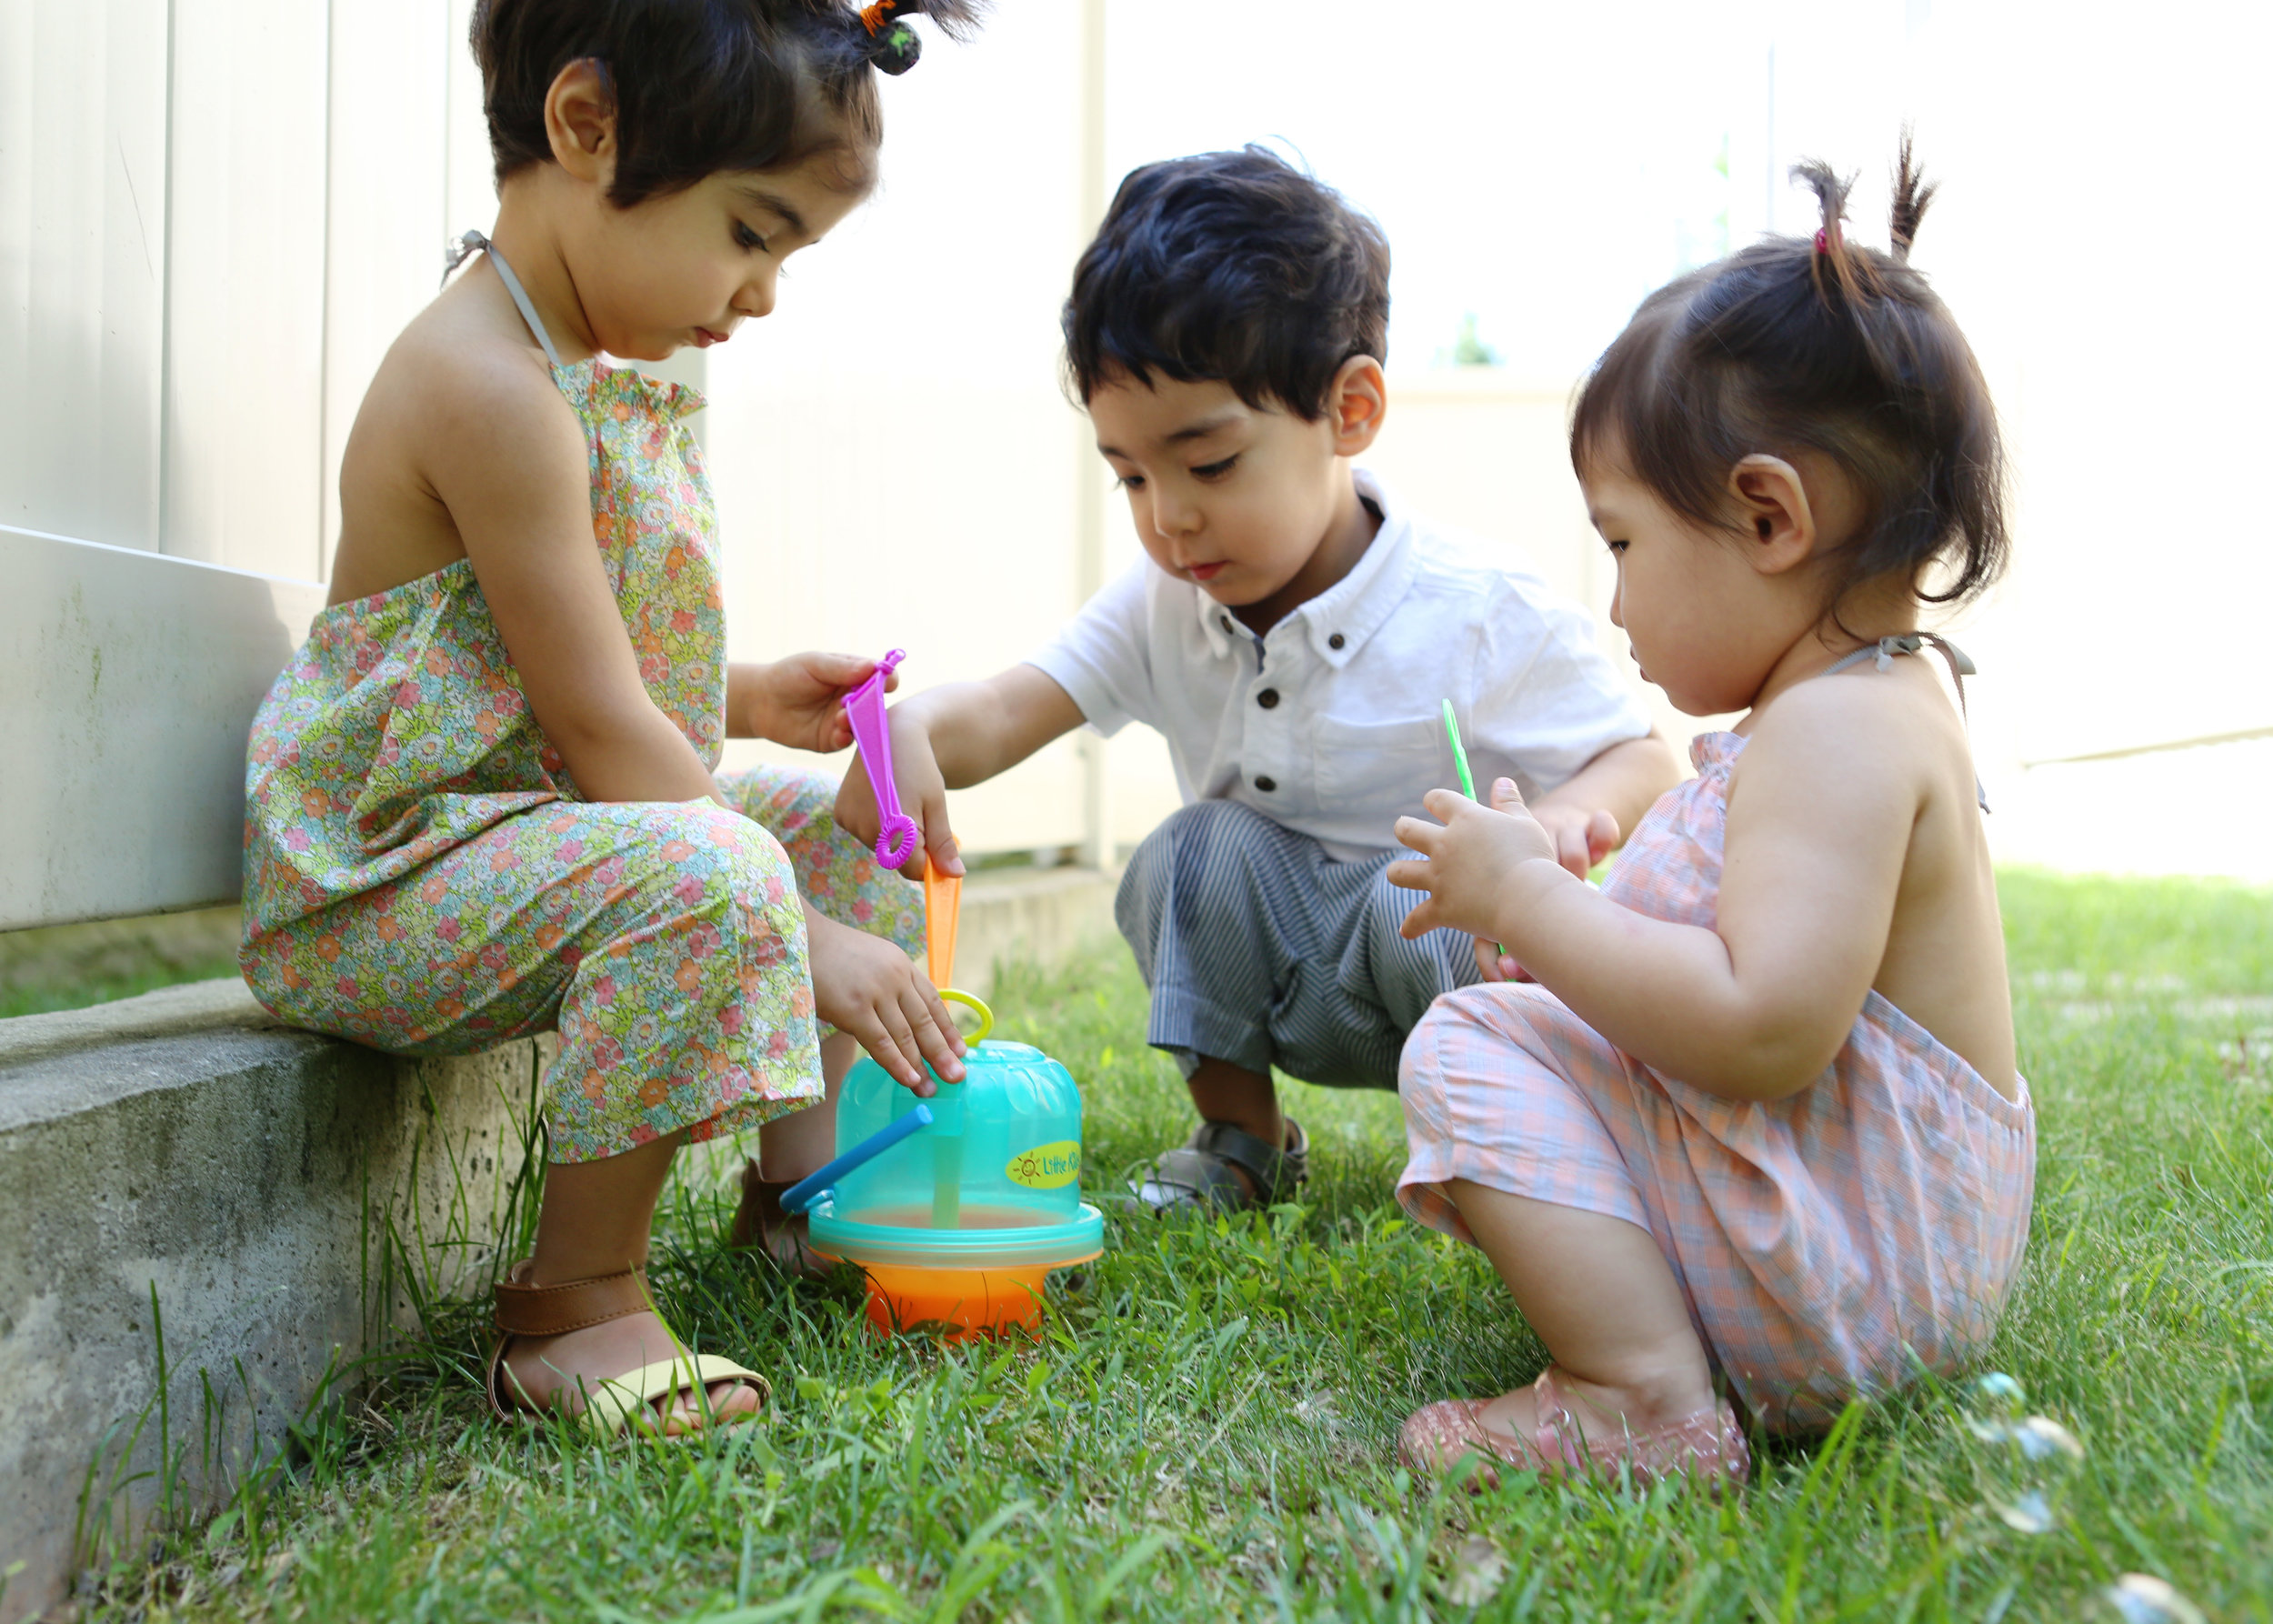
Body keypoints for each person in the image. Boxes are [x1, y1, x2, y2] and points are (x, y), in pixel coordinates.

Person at [239, 0, 982, 1438]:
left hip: (509, 827)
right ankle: (574, 1303)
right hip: (380, 884)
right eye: (752, 233)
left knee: (823, 835)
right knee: (724, 867)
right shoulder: (488, 386)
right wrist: (790, 926)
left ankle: (794, 1197)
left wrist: (757, 698)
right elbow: (592, 724)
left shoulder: (569, 365)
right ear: (587, 127)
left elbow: (542, 667)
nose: (761, 291)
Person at [836, 146, 1677, 1213]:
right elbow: (1008, 706)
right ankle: (1241, 1135)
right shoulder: (1162, 600)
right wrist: (904, 733)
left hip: (1433, 943)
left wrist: (1559, 822)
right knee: (1191, 852)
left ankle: (1502, 1149)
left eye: (1211, 464)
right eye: (1130, 475)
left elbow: (1647, 755)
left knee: (1461, 891)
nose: (1169, 516)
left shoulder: (1472, 607)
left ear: (1351, 411)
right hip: (1276, 950)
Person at [1386, 145, 2033, 1489]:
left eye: (1622, 544)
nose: (1614, 605)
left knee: (1465, 1041)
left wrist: (1527, 906)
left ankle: (1641, 1399)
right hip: (1868, 1239)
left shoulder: (1841, 730)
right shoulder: (1870, 698)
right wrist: (1570, 934)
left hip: (1850, 1279)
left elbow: (1760, 1031)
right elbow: (1771, 988)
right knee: (1530, 1017)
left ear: (1766, 515)